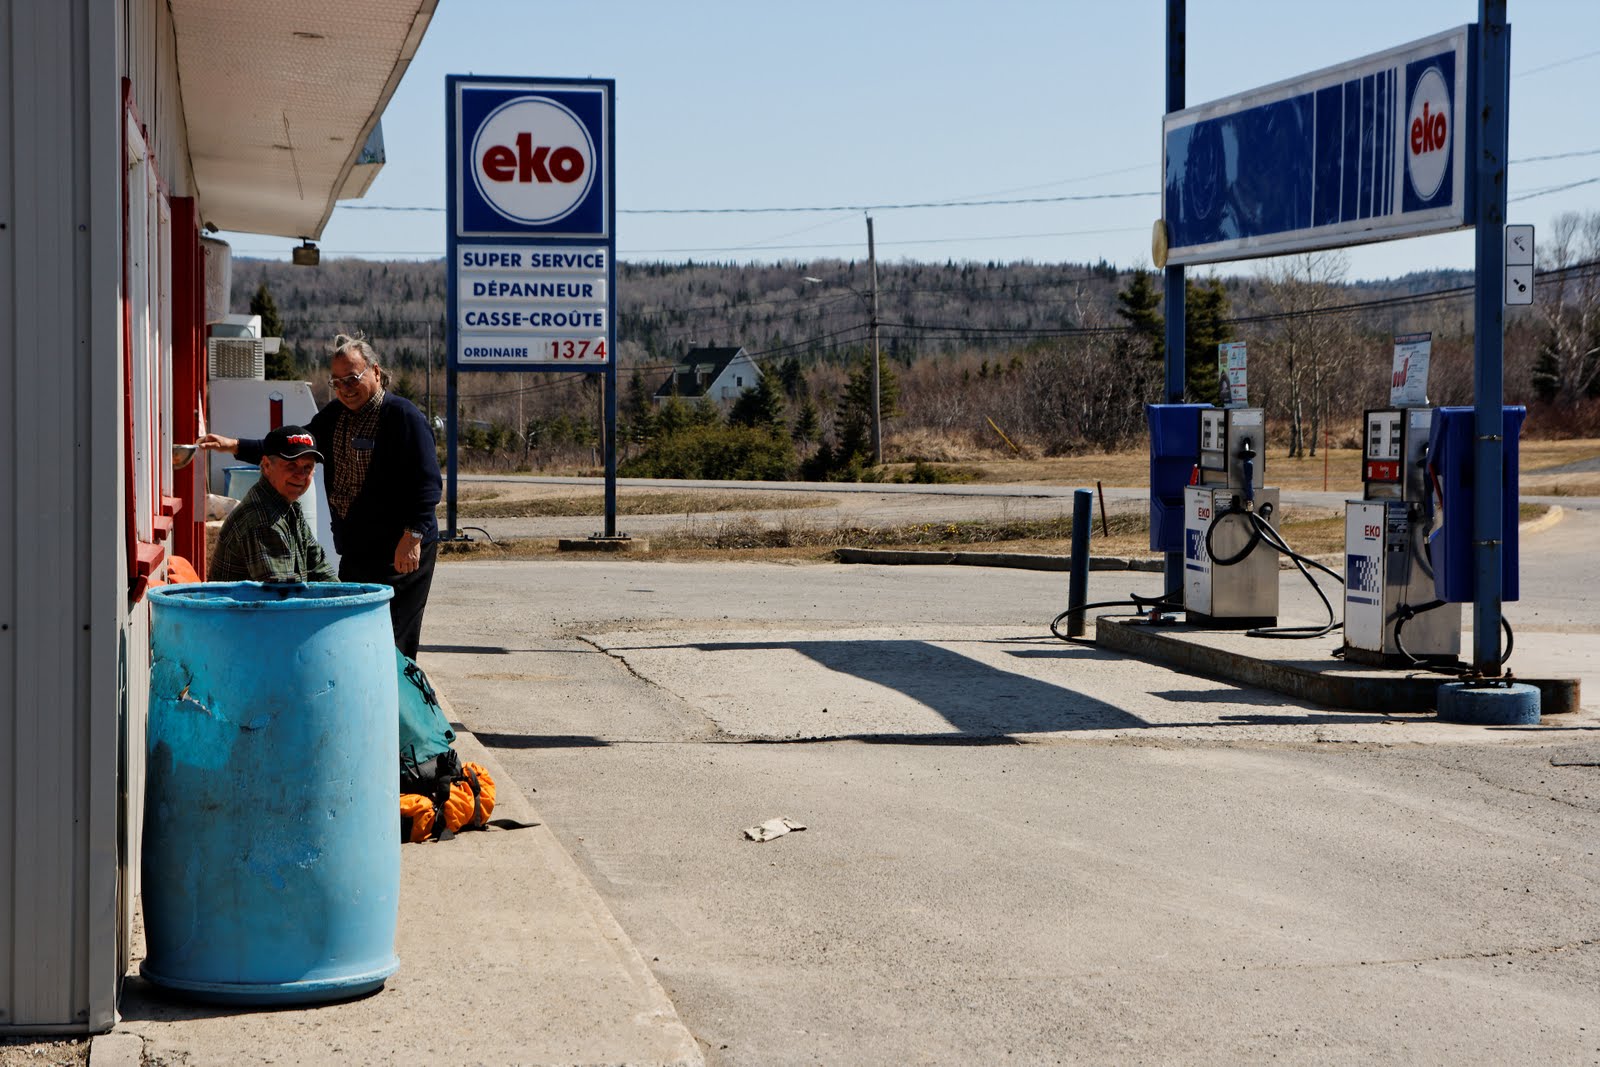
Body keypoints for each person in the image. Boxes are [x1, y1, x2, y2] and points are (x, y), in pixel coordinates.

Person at [201, 333, 443, 657]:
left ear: (376, 371)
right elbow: (290, 448)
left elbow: (428, 485)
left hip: (399, 551)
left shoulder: (403, 417)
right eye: (337, 382)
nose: (345, 388)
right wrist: (234, 446)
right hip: (358, 551)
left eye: (353, 378)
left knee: (392, 642)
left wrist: (413, 536)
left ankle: (394, 705)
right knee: (353, 637)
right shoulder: (333, 417)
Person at [208, 425, 337, 583]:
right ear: (267, 466)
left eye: (307, 467)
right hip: (244, 608)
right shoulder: (262, 520)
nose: (300, 475)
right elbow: (281, 595)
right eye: (291, 466)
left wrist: (347, 599)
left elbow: (319, 569)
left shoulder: (288, 507)